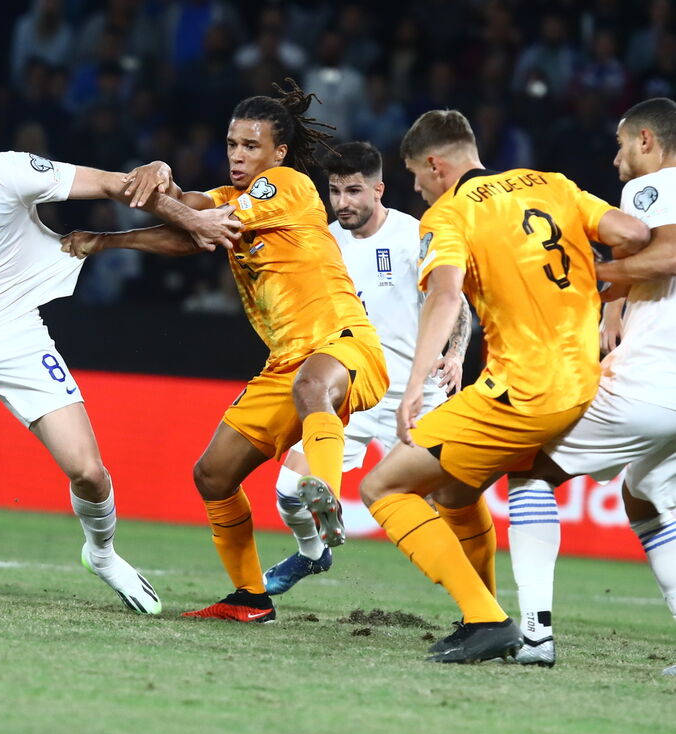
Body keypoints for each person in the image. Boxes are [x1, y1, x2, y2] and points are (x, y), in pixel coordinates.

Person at [0, 107, 238, 609]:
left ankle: (101, 554)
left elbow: (110, 185)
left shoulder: (8, 171)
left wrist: (189, 216)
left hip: (18, 334)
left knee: (88, 471)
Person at [63, 82, 391, 623]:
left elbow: (208, 223)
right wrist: (117, 229)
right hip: (284, 364)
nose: (238, 155)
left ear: (278, 153)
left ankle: (323, 495)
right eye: (232, 144)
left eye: (250, 146)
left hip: (342, 343)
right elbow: (192, 224)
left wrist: (150, 187)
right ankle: (249, 598)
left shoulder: (288, 185)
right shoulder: (230, 198)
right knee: (213, 475)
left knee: (313, 387)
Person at [356, 110, 649, 663]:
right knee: (453, 493)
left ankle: (487, 619)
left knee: (383, 487)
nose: (417, 189)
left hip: (521, 391)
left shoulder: (448, 215)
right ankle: (483, 613)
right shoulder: (554, 185)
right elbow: (632, 234)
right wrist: (602, 292)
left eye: (417, 175)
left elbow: (444, 297)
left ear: (436, 164)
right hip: (585, 379)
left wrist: (416, 383)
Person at [504, 97, 676, 672]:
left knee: (529, 467)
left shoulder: (653, 187)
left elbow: (668, 255)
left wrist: (584, 275)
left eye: (623, 143)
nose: (615, 156)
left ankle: (534, 633)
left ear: (648, 141)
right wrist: (611, 305)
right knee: (644, 492)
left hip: (651, 384)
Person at [262, 141, 472, 596]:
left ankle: (478, 603)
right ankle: (313, 554)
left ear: (378, 189)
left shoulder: (415, 235)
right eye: (335, 191)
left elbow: (456, 304)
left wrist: (455, 354)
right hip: (352, 393)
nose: (343, 203)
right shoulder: (324, 242)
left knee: (453, 502)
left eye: (354, 191)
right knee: (288, 493)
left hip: (417, 395)